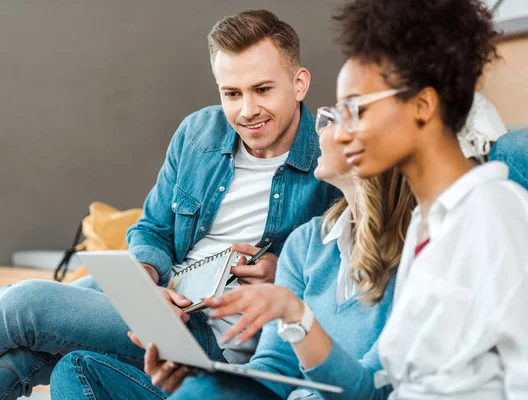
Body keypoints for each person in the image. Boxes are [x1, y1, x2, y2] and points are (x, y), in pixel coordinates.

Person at [0, 9, 340, 400]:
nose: (246, 110)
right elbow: (152, 229)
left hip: (213, 338)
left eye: (262, 89)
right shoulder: (199, 132)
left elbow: (341, 278)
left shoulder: (334, 162)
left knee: (26, 304)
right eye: (231, 93)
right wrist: (144, 280)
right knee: (22, 355)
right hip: (164, 293)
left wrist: (280, 275)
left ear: (299, 83)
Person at [177, 1, 527, 399]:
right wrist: (294, 316)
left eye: (356, 110)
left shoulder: (493, 210)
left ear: (423, 105)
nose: (339, 134)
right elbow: (372, 392)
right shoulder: (424, 230)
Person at [48, 90, 417, 399]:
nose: (320, 129)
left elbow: (370, 393)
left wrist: (297, 317)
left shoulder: (417, 260)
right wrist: (205, 375)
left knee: (32, 305)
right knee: (77, 369)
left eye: (339, 117)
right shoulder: (308, 242)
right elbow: (272, 368)